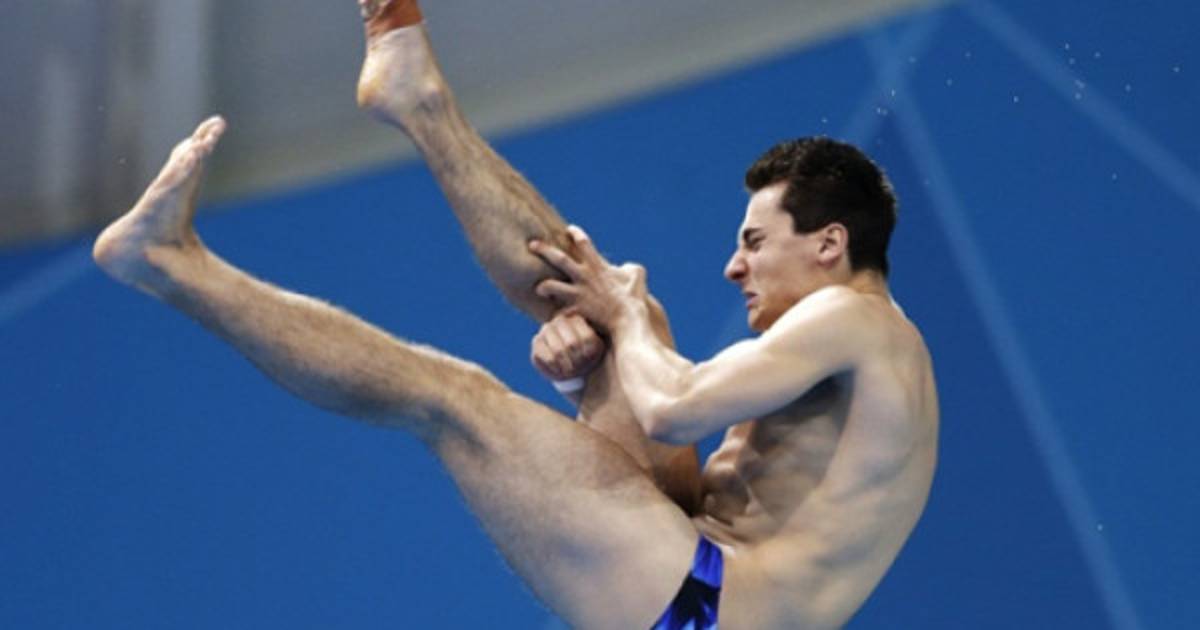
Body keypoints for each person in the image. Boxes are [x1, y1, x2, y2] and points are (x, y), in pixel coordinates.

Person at [92, 1, 938, 628]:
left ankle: (173, 264)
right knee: (603, 304)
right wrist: (595, 367)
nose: (734, 265)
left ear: (830, 243)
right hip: (691, 568)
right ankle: (419, 99)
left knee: (453, 396)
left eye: (755, 241)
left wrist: (625, 321)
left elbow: (675, 408)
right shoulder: (856, 347)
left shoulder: (859, 320)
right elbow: (672, 425)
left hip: (705, 609)